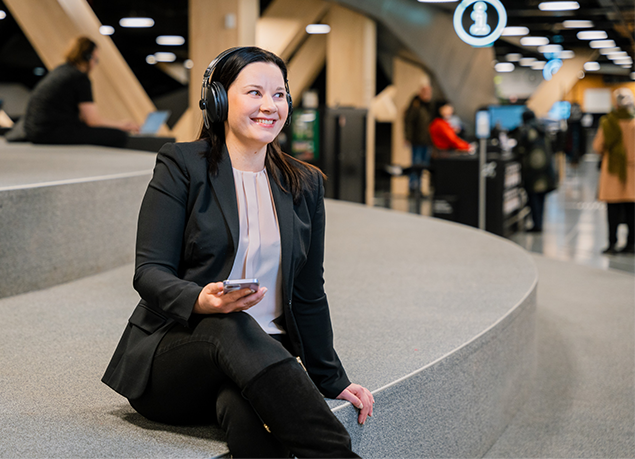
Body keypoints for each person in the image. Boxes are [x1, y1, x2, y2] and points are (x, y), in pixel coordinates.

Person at [101, 47, 372, 458]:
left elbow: (308, 290)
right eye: (255, 93)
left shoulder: (305, 184)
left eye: (279, 95)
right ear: (219, 100)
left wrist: (330, 377)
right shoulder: (182, 165)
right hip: (180, 354)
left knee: (246, 417)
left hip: (260, 361)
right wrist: (200, 300)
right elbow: (150, 271)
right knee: (232, 323)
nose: (270, 106)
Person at [23, 36, 138, 147]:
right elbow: (92, 121)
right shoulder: (79, 77)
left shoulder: (60, 70)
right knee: (118, 135)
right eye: (96, 59)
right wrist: (122, 125)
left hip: (34, 131)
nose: (94, 65)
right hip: (49, 132)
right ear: (88, 57)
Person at [593, 88, 635, 254]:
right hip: (632, 174)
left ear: (616, 104)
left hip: (612, 174)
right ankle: (631, 244)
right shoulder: (633, 123)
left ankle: (612, 244)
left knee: (612, 213)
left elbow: (597, 147)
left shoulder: (608, 122)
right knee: (632, 212)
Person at [516, 109, 557, 233]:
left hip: (533, 170)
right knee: (541, 197)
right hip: (546, 169)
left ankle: (536, 224)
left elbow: (520, 147)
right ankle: (539, 222)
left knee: (533, 196)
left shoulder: (526, 130)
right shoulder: (542, 128)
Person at [404, 83, 434, 195]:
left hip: (427, 141)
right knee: (415, 163)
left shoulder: (430, 106)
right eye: (425, 92)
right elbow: (409, 122)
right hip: (417, 140)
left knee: (423, 164)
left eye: (429, 93)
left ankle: (420, 188)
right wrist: (407, 137)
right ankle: (413, 187)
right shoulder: (415, 105)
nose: (427, 95)